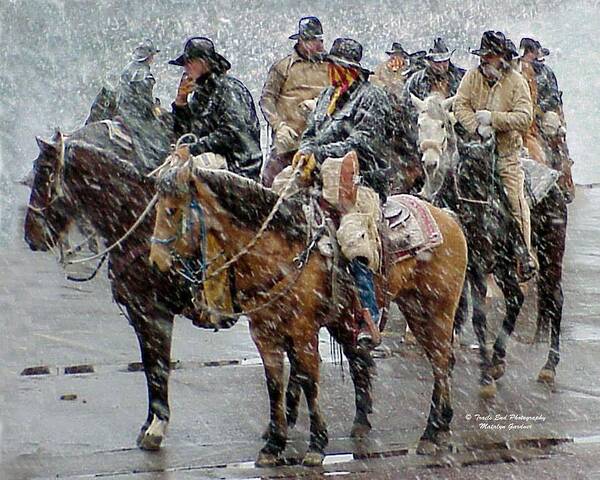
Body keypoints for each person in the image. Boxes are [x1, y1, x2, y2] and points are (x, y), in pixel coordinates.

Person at [293, 37, 391, 348]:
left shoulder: (372, 98)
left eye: (337, 66)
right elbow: (310, 133)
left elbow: (363, 141)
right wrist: (307, 150)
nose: (331, 70)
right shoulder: (326, 96)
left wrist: (320, 153)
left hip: (361, 179)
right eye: (331, 65)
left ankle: (368, 312)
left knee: (352, 236)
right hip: (319, 175)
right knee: (280, 203)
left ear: (352, 70)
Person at [454, 30, 537, 280]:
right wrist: (475, 126)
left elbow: (525, 117)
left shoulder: (516, 81)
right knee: (448, 189)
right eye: (484, 55)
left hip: (505, 155)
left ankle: (524, 255)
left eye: (490, 56)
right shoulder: (471, 77)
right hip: (474, 153)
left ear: (502, 58)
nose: (485, 60)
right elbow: (460, 104)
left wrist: (495, 120)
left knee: (514, 201)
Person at [170, 36, 262, 180]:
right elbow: (187, 133)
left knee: (187, 178)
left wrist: (193, 149)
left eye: (188, 63)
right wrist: (181, 102)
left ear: (202, 63)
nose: (185, 68)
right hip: (216, 162)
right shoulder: (201, 94)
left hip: (239, 167)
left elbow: (231, 133)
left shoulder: (230, 89)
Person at [259, 16, 329, 187]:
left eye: (319, 40)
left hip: (320, 142)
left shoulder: (331, 66)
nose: (318, 45)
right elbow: (267, 99)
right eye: (312, 40)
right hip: (288, 141)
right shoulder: (283, 67)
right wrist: (279, 126)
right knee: (270, 181)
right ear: (301, 41)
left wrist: (319, 103)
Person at [518, 37, 575, 201]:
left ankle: (563, 172)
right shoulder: (517, 71)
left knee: (552, 127)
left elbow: (553, 96)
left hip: (543, 113)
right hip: (524, 113)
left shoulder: (545, 72)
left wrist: (538, 109)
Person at [116, 39, 170, 170]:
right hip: (134, 114)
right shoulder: (143, 74)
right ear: (149, 57)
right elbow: (143, 101)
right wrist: (153, 108)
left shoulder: (128, 68)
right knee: (159, 138)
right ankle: (151, 166)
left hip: (123, 109)